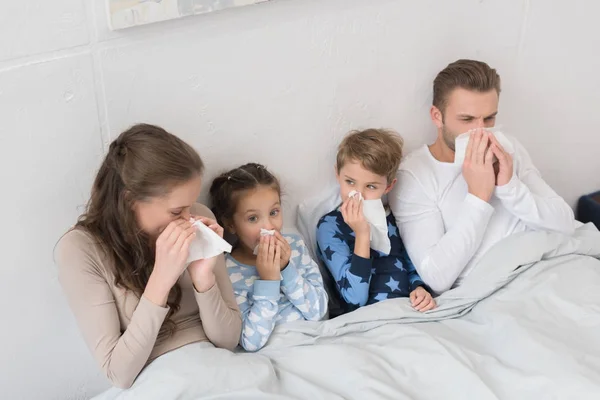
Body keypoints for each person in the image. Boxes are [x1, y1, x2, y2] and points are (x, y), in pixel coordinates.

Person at [54, 124, 242, 389]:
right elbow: (119, 374)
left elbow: (228, 340)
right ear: (130, 200)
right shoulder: (80, 250)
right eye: (176, 212)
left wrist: (203, 278)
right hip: (158, 381)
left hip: (219, 369)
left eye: (190, 205)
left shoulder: (200, 218)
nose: (188, 219)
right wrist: (161, 280)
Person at [389, 59, 576, 294]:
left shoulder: (508, 148)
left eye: (489, 118)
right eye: (467, 119)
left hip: (551, 265)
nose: (481, 130)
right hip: (498, 289)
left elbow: (565, 223)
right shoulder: (415, 176)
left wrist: (509, 187)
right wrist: (478, 197)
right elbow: (437, 277)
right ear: (437, 116)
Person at [209, 163, 328, 352]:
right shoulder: (228, 271)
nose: (269, 226)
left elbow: (319, 312)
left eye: (274, 213)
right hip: (277, 353)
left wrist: (286, 269)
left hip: (315, 342)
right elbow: (251, 342)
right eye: (253, 218)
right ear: (231, 224)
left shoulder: (295, 247)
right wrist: (269, 281)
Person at [316, 129, 436, 315]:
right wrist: (363, 234)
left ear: (389, 186)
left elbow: (411, 263)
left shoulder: (394, 219)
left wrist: (419, 288)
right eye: (350, 182)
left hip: (407, 311)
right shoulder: (330, 226)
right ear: (337, 175)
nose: (359, 194)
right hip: (367, 318)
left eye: (371, 186)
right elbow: (355, 298)